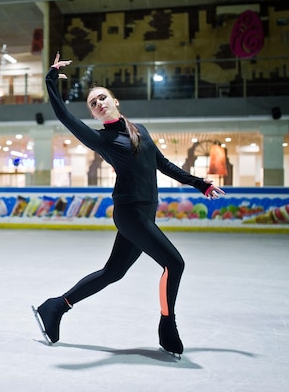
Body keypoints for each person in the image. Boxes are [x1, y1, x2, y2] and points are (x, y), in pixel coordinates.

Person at [32, 53, 226, 356]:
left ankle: (55, 306)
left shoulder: (140, 130)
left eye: (101, 98)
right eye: (93, 104)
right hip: (130, 213)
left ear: (115, 101)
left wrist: (200, 184)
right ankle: (167, 326)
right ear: (94, 114)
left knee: (112, 272)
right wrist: (51, 80)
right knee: (174, 263)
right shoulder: (102, 140)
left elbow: (163, 164)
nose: (98, 104)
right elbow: (64, 117)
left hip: (147, 210)